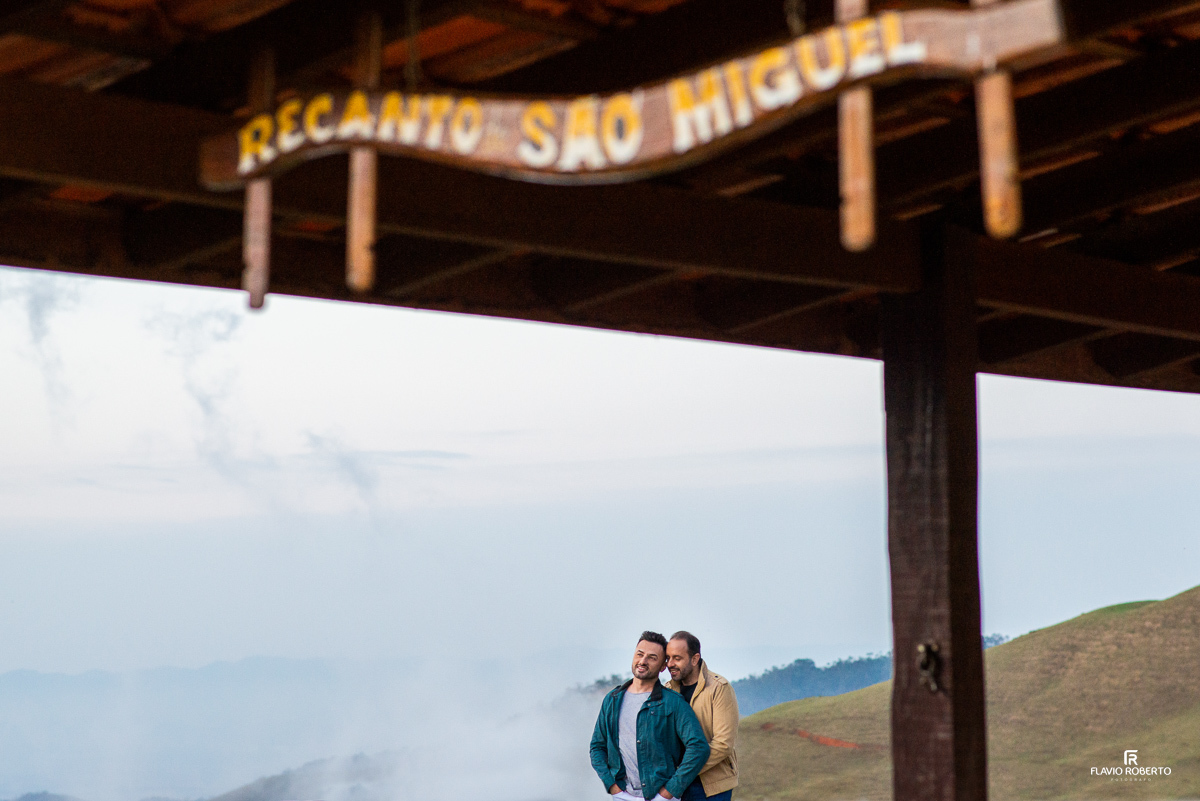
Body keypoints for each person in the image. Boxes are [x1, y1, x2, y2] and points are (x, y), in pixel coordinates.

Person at [591, 631, 711, 801]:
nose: (643, 661)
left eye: (652, 657)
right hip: (622, 795)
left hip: (661, 796)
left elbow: (699, 748)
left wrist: (669, 792)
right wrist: (612, 786)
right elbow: (597, 747)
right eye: (639, 654)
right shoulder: (612, 700)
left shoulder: (673, 703)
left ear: (663, 666)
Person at [665, 631, 739, 801]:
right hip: (676, 784)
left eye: (677, 658)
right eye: (668, 658)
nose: (670, 664)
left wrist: (684, 772)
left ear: (695, 658)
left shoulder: (719, 688)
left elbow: (723, 744)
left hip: (710, 786)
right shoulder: (667, 690)